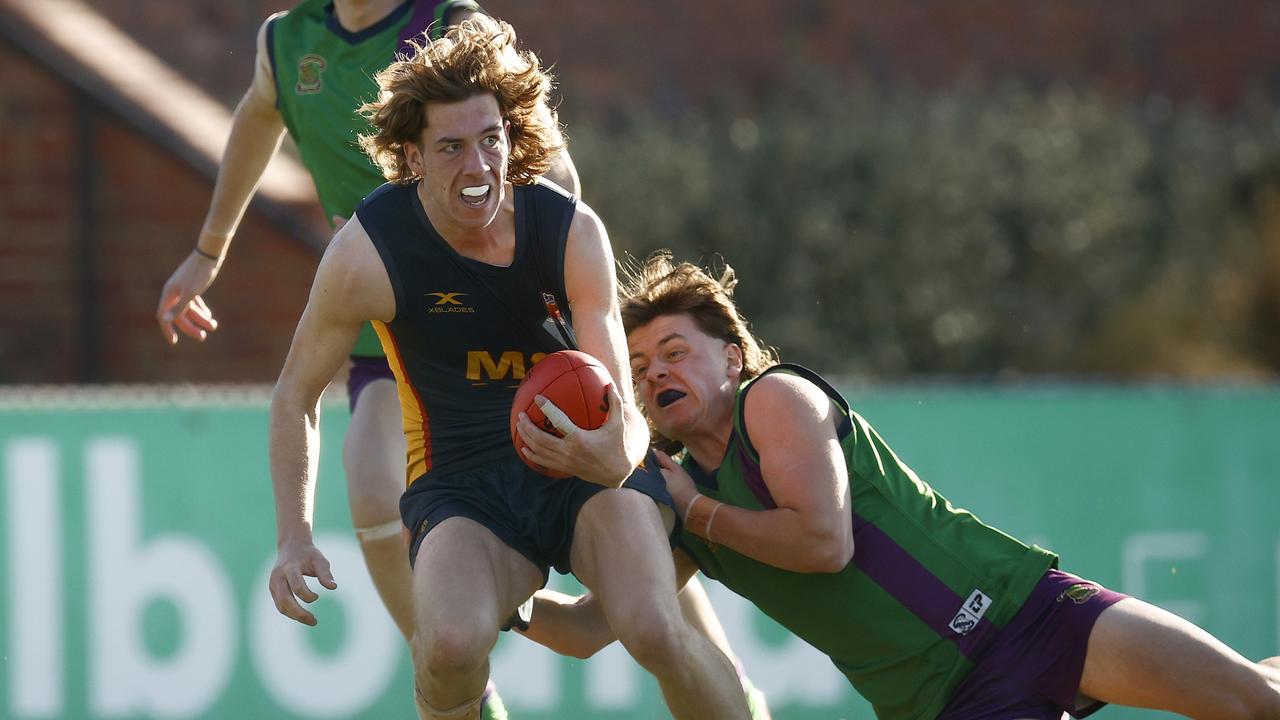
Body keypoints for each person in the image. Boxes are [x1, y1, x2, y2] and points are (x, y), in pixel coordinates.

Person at [154, 1, 768, 717]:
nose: (477, 167)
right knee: (445, 646)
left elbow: (618, 400)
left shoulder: (567, 226)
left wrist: (617, 452)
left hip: (581, 467)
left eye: (491, 141)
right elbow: (294, 397)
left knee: (654, 629)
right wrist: (293, 537)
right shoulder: (365, 250)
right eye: (450, 148)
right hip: (465, 485)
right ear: (410, 158)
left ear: (512, 137)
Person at [517, 251, 1280, 720]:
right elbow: (590, 630)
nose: (656, 373)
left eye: (676, 351)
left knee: (1253, 703)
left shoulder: (775, 399)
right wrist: (500, 601)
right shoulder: (683, 508)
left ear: (733, 357)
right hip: (945, 706)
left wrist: (694, 508)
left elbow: (822, 540)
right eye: (642, 368)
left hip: (1027, 616)